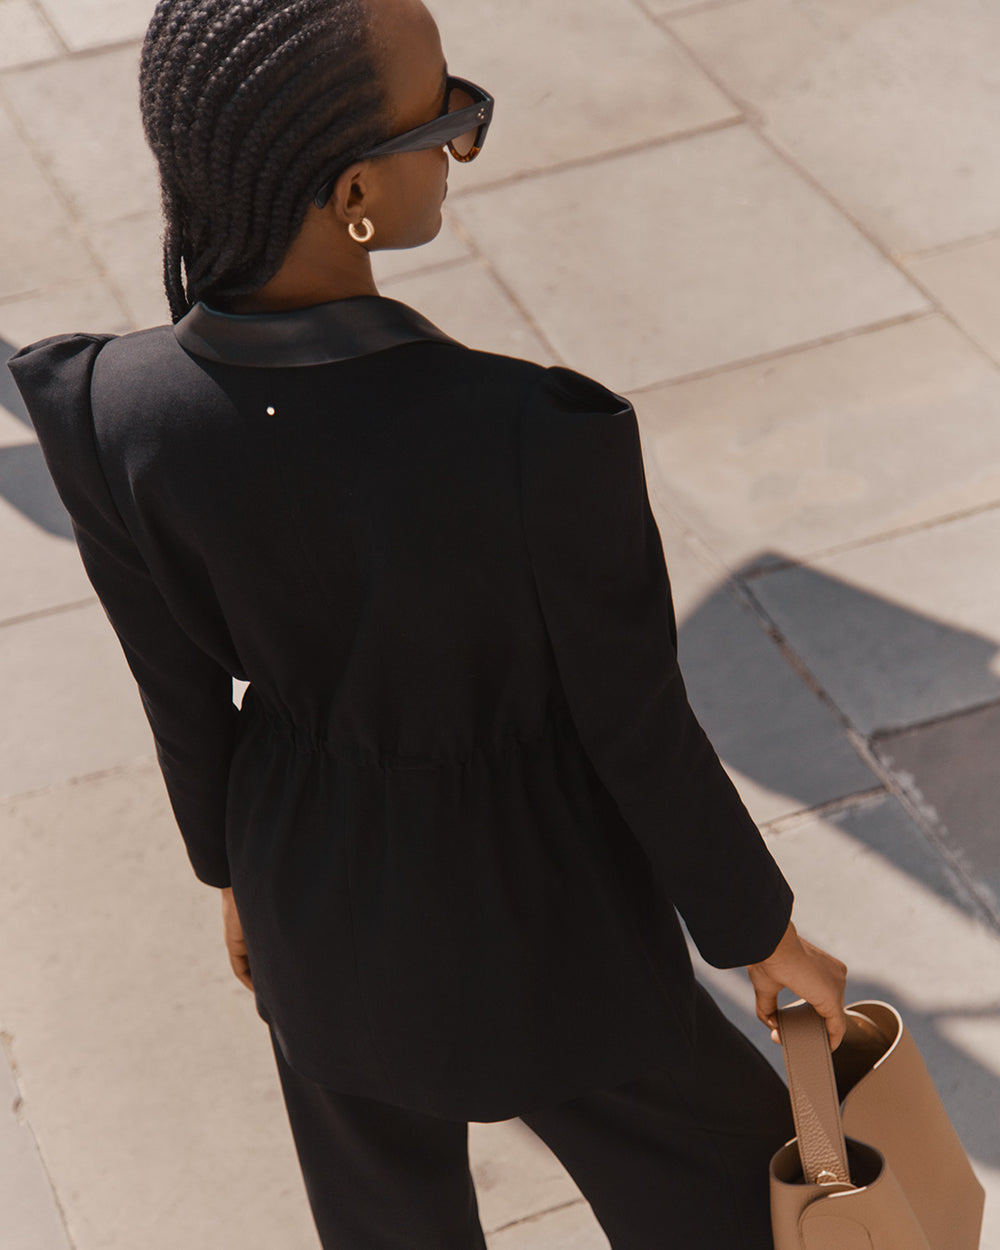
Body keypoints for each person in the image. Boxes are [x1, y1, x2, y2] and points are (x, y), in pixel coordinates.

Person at [8, 0, 849, 1245]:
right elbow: (634, 723)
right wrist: (759, 930)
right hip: (546, 916)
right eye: (448, 120)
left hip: (312, 900)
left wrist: (234, 874)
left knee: (383, 1219)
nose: (460, 145)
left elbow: (176, 688)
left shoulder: (106, 407)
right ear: (352, 190)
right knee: (738, 1191)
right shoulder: (531, 437)